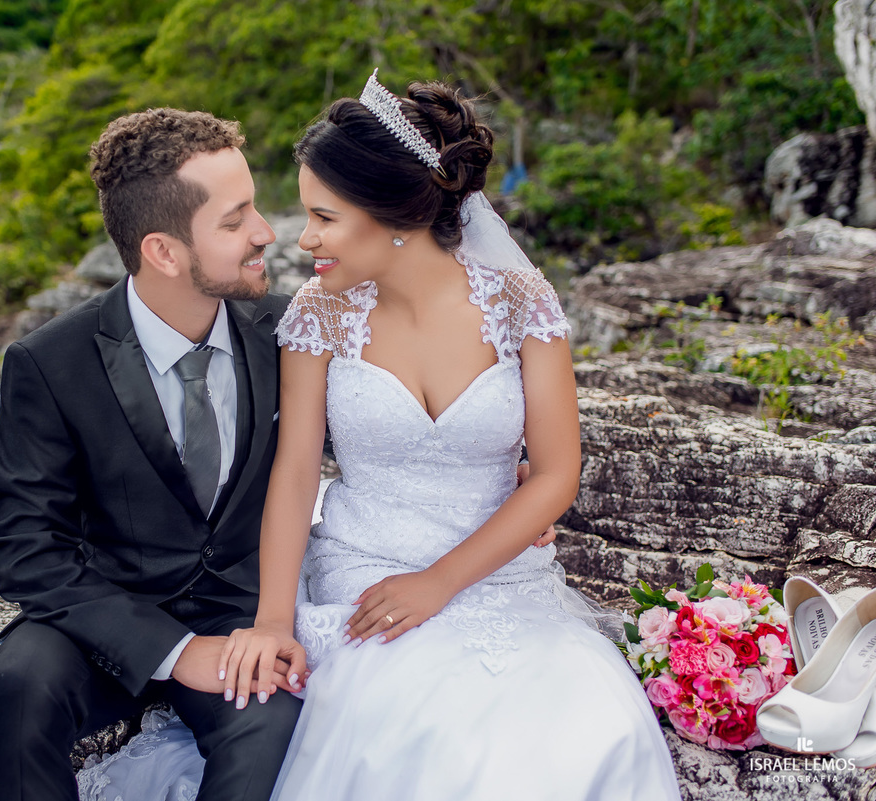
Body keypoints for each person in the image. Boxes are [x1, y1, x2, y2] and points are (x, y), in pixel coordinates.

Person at [77, 71, 682, 799]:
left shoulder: (522, 302)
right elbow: (295, 472)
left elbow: (555, 474)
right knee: (408, 723)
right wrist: (274, 621)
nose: (305, 239)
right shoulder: (318, 315)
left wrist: (439, 583)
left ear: (395, 214)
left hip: (501, 581)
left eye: (325, 217)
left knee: (585, 727)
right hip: (361, 574)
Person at [0, 108, 304, 801]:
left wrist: (492, 475)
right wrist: (177, 654)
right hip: (100, 617)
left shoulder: (288, 331)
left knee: (270, 723)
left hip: (240, 615)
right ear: (163, 251)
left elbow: (380, 425)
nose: (265, 234)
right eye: (235, 218)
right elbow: (24, 546)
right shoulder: (49, 362)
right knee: (19, 685)